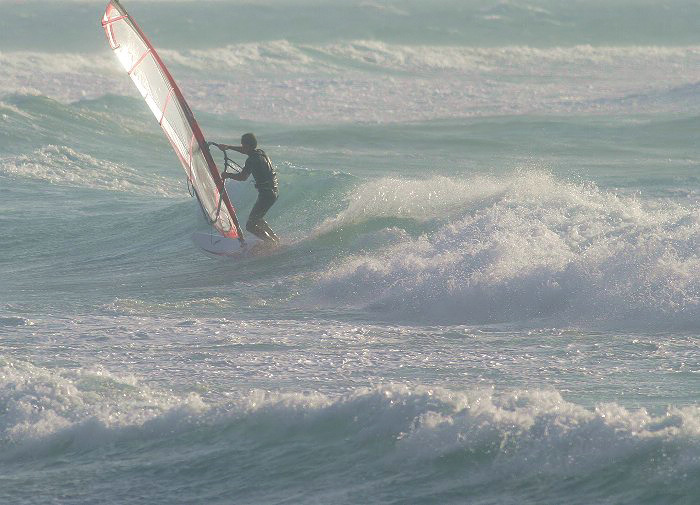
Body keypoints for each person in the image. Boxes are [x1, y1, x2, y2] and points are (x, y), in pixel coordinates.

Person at [209, 133, 279, 244]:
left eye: (243, 145)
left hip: (266, 195)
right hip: (273, 192)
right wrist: (228, 147)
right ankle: (275, 240)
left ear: (247, 146)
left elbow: (242, 177)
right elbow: (244, 151)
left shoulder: (251, 160)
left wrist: (227, 175)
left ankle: (271, 243)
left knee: (250, 226)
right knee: (257, 219)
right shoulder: (260, 152)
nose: (242, 148)